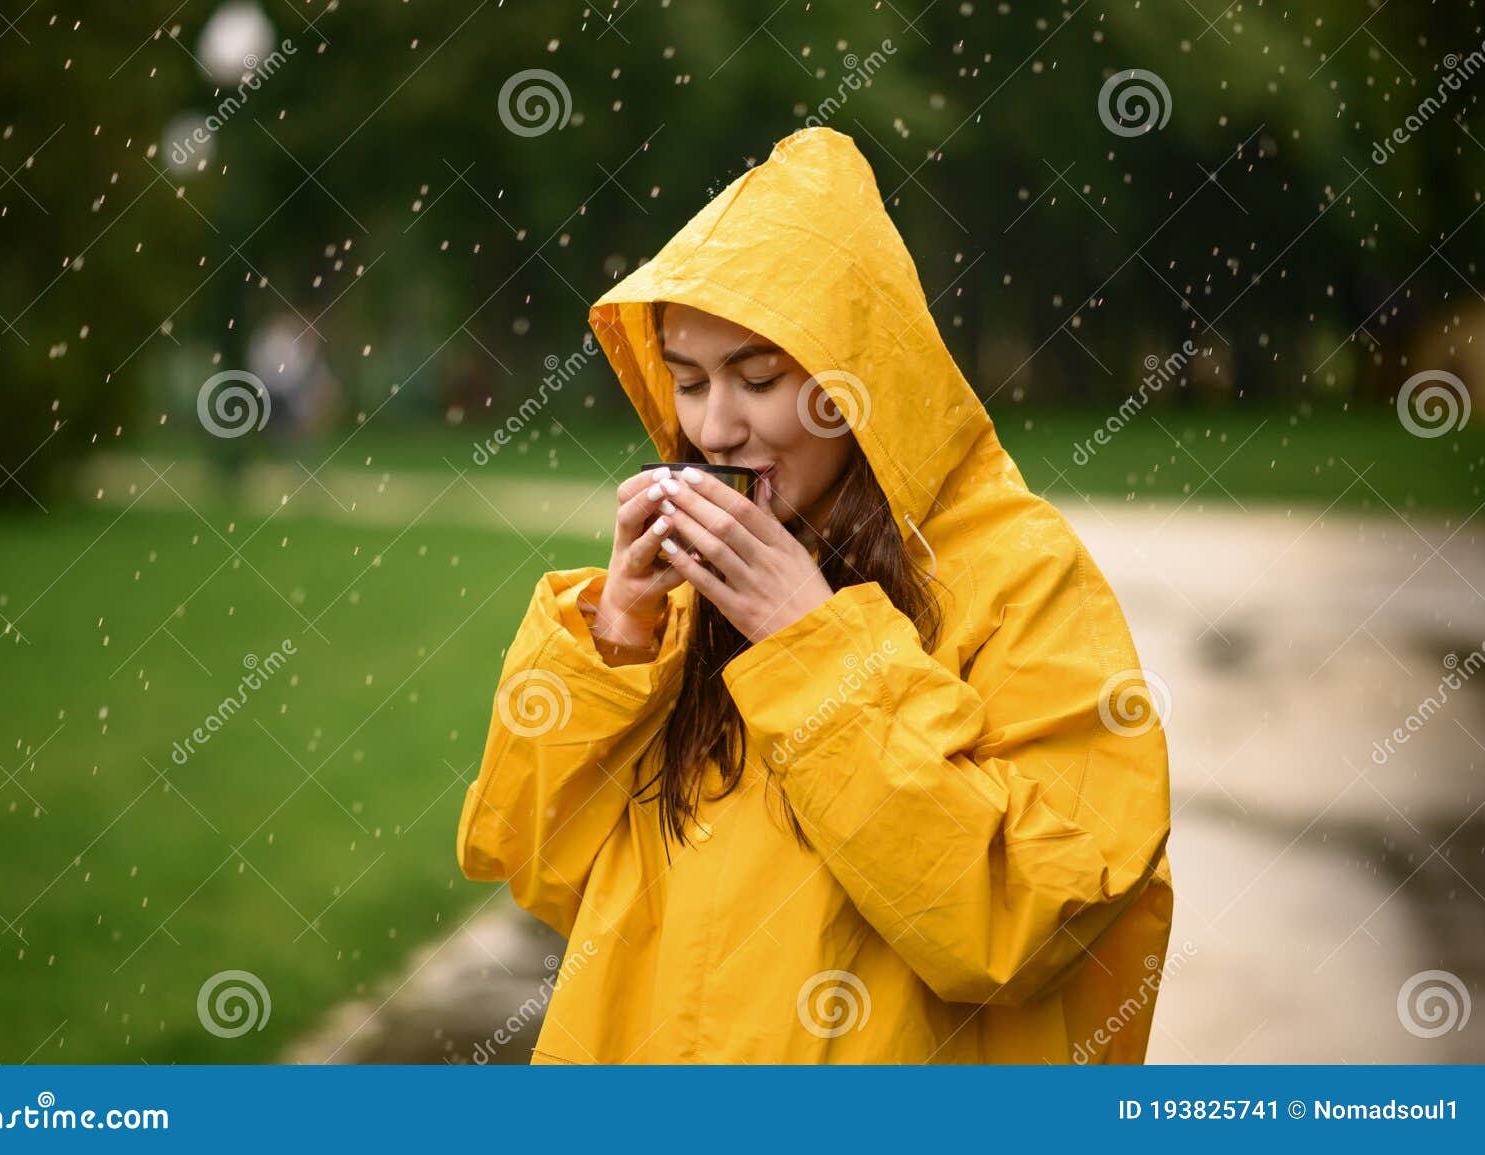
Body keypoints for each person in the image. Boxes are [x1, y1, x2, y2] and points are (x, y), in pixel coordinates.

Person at [456, 126, 1174, 1064]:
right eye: (687, 380)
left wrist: (813, 644)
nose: (713, 427)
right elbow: (536, 865)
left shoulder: (1022, 574)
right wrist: (617, 637)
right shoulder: (680, 588)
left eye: (759, 378)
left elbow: (1033, 916)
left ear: (858, 376)